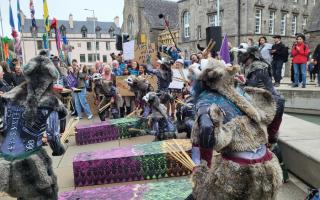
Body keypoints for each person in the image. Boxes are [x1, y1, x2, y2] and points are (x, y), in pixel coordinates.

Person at [187, 58, 282, 200]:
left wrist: (203, 168)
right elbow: (279, 103)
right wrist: (272, 137)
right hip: (270, 168)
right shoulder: (240, 94)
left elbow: (206, 129)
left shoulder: (205, 99)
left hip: (238, 173)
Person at [0, 52, 67, 199]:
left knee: (22, 196)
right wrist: (58, 150)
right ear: (51, 79)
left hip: (7, 163)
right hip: (33, 165)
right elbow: (53, 137)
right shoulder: (51, 101)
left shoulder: (9, 95)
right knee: (47, 194)